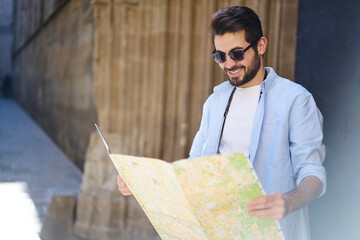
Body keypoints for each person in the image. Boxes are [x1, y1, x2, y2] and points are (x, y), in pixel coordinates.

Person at [117, 6, 326, 240]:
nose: (228, 64)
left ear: (261, 45)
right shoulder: (214, 102)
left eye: (237, 53)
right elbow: (191, 170)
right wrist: (143, 183)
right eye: (220, 56)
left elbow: (312, 173)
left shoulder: (296, 100)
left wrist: (289, 201)